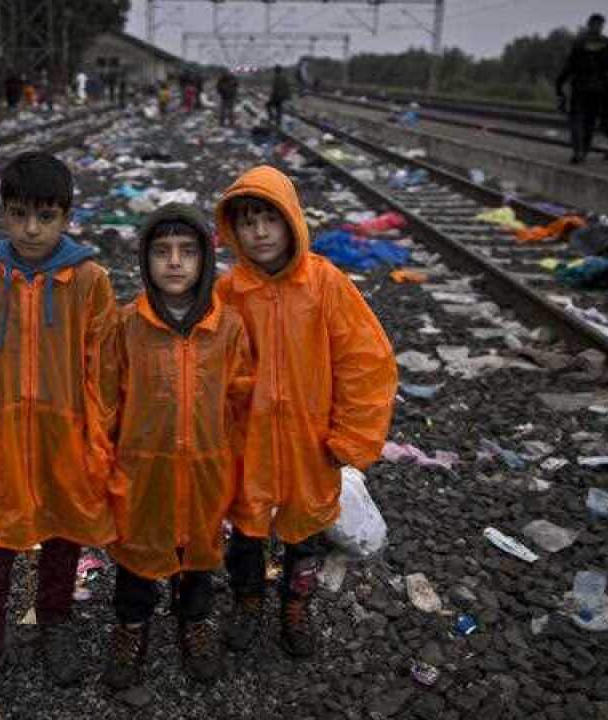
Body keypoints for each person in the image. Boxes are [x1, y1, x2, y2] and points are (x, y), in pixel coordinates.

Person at [0, 152, 118, 713]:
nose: (30, 229)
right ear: (2, 215)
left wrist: (99, 442)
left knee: (63, 538)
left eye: (44, 216)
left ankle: (54, 624)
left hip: (66, 442)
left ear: (66, 217)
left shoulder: (90, 282)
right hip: (4, 446)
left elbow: (103, 369)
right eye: (18, 215)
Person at [213, 166, 397, 658]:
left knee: (307, 531)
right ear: (234, 230)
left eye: (269, 219)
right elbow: (210, 363)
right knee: (246, 531)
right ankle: (248, 600)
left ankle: (295, 604)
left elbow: (365, 362)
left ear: (291, 219)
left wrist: (351, 439)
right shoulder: (229, 292)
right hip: (248, 442)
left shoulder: (325, 284)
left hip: (310, 442)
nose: (259, 233)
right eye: (248, 223)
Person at [100, 203, 254, 690]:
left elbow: (240, 397)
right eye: (162, 251)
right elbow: (105, 399)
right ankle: (131, 627)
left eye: (187, 252)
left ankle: (194, 624)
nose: (174, 262)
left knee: (199, 552)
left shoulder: (227, 327)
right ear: (145, 260)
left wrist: (238, 460)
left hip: (207, 467)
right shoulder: (127, 325)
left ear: (205, 260)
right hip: (143, 471)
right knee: (138, 555)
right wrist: (101, 462)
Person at [556, 13, 608, 163]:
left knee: (577, 120)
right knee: (590, 122)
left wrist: (559, 83)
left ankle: (579, 151)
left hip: (581, 88)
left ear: (589, 24)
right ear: (600, 25)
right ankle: (584, 150)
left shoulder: (579, 42)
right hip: (599, 89)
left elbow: (569, 66)